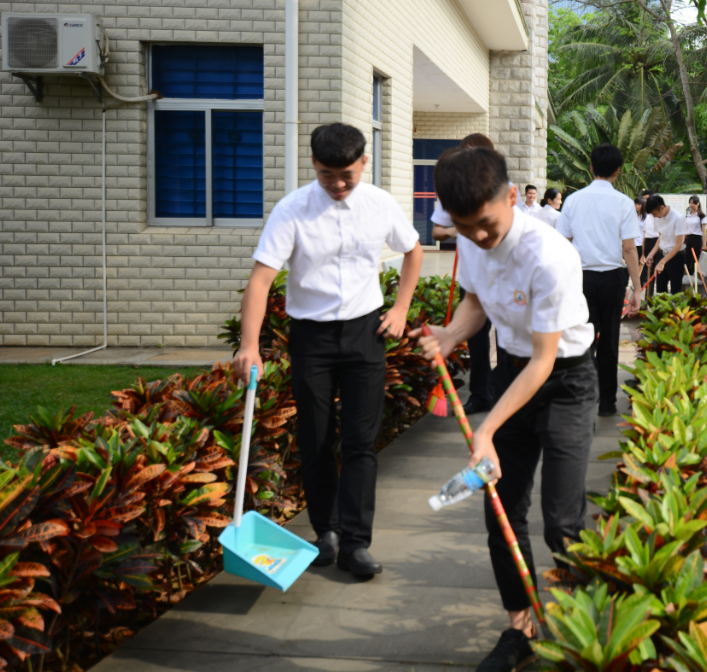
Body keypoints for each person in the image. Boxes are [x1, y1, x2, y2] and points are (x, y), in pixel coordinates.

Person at [411, 147, 596, 672]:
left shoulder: (550, 256)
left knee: (562, 520)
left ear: (512, 197)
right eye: (464, 227)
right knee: (502, 511)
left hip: (564, 381)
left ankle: (589, 627)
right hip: (514, 372)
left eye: (486, 225)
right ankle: (522, 629)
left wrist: (486, 429)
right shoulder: (471, 238)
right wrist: (451, 334)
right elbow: (476, 300)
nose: (477, 237)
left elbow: (545, 360)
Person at [233, 123, 423, 578]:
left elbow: (413, 251)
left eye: (346, 175)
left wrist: (400, 309)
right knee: (316, 438)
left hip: (365, 334)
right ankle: (327, 532)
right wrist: (248, 345)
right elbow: (261, 279)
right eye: (326, 175)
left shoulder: (380, 204)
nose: (337, 185)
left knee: (360, 442)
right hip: (311, 338)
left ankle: (356, 543)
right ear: (313, 165)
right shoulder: (292, 209)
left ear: (364, 163)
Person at [556, 144, 644, 417]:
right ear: (618, 171)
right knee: (610, 339)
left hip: (581, 279)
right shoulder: (623, 202)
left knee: (582, 339)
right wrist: (637, 289)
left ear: (591, 167)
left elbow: (562, 244)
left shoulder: (573, 201)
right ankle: (607, 401)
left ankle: (585, 396)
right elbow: (629, 249)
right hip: (613, 279)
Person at [429, 134, 506, 415]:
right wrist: (456, 229)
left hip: (504, 276)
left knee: (507, 337)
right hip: (473, 276)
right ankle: (481, 394)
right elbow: (437, 232)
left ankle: (505, 391)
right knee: (476, 338)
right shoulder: (453, 192)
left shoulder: (503, 190)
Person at [645, 195, 688, 295]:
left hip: (676, 258)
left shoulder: (678, 218)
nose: (654, 217)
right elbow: (661, 238)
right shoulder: (657, 217)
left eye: (654, 214)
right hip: (661, 255)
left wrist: (662, 262)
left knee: (675, 291)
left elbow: (678, 245)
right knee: (660, 290)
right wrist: (651, 254)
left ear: (662, 208)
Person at [683, 196, 706, 280]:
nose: (691, 205)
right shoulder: (687, 215)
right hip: (689, 239)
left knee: (694, 260)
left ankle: (694, 279)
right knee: (686, 259)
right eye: (690, 203)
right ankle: (687, 278)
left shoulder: (701, 216)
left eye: (693, 203)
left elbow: (704, 231)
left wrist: (704, 244)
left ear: (698, 204)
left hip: (697, 239)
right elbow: (685, 229)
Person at [639, 190, 658, 288]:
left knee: (655, 270)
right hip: (647, 242)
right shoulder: (646, 215)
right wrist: (643, 254)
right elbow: (644, 234)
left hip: (657, 242)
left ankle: (653, 293)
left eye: (647, 199)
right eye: (644, 199)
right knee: (646, 270)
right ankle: (646, 293)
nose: (645, 201)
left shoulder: (658, 214)